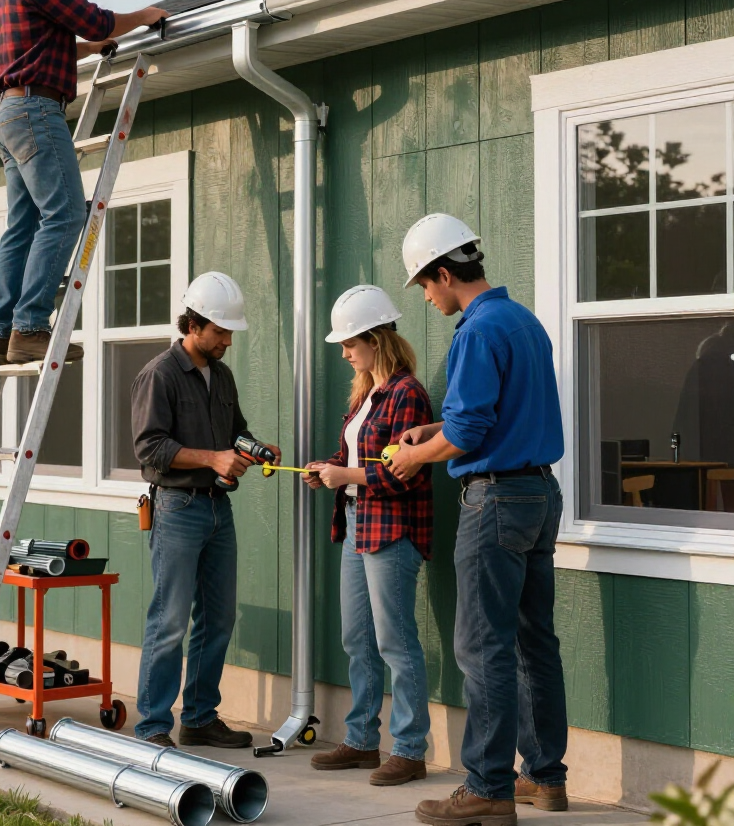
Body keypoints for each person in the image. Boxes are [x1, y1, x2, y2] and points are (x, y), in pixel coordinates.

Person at [386, 215, 568, 826]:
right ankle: (544, 777)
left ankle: (488, 787)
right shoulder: (524, 322)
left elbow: (469, 432)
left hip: (494, 502)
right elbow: (498, 416)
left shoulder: (477, 331)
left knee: (482, 645)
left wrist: (415, 454)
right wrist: (433, 431)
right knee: (534, 642)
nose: (428, 298)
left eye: (425, 286)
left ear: (444, 273)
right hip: (541, 496)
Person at [0, 0, 169, 366]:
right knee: (66, 217)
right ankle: (30, 328)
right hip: (36, 112)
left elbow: (46, 44)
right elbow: (91, 19)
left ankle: (1, 335)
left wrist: (89, 50)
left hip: (9, 113)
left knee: (22, 227)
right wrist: (145, 16)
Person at [130, 272, 281, 749]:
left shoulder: (223, 374)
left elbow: (234, 430)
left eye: (230, 332)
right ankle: (153, 727)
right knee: (169, 620)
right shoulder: (159, 374)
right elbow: (149, 448)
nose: (228, 341)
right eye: (220, 332)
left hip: (219, 510)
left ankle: (199, 717)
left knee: (218, 617)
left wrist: (253, 447)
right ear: (193, 325)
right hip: (177, 508)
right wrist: (212, 457)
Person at [303, 285, 433, 786]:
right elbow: (358, 460)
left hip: (392, 530)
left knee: (395, 642)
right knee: (356, 638)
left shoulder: (408, 394)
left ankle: (409, 749)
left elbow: (408, 472)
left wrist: (348, 477)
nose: (344, 352)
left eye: (350, 343)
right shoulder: (367, 394)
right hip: (358, 524)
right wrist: (329, 468)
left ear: (376, 339)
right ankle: (360, 741)